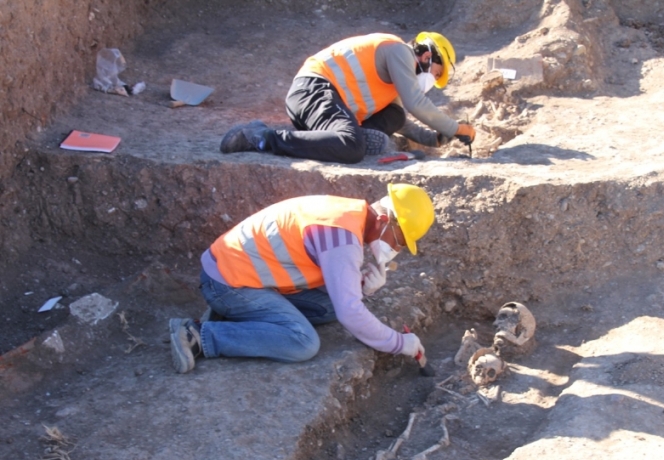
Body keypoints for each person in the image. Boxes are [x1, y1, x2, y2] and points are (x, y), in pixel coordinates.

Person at [168, 183, 434, 374]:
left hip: (244, 273)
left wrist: (361, 287)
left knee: (330, 306)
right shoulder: (342, 239)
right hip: (228, 281)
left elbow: (339, 294)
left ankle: (238, 315)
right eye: (399, 240)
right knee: (302, 342)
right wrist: (398, 343)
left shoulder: (348, 215)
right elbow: (350, 313)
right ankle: (199, 335)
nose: (396, 249)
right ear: (385, 220)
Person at [219, 31, 476, 164]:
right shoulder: (398, 51)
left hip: (330, 105)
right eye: (436, 73)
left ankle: (354, 139)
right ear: (427, 56)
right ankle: (261, 137)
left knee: (394, 114)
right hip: (313, 90)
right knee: (352, 146)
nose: (432, 81)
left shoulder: (395, 81)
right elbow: (415, 103)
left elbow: (403, 120)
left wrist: (436, 138)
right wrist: (456, 128)